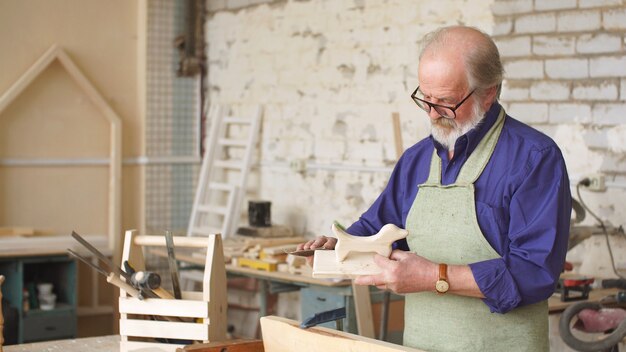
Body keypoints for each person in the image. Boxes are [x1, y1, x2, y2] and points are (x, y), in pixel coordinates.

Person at [297, 25, 571, 352]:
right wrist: (340, 246)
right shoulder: (416, 160)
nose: (432, 113)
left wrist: (433, 277)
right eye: (425, 99)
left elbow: (534, 273)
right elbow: (375, 229)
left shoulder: (534, 159)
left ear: (489, 92)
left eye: (446, 102)